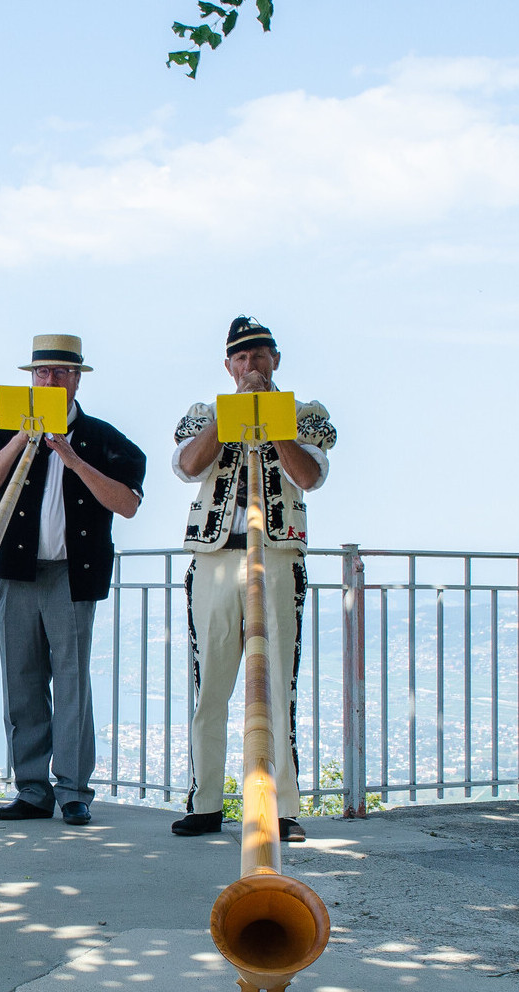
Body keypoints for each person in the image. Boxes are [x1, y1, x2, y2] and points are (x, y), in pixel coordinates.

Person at [0, 333, 145, 826]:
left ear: (76, 380)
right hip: (16, 575)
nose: (50, 380)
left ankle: (72, 790)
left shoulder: (106, 438)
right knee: (20, 682)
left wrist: (71, 458)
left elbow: (127, 504)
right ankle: (31, 789)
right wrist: (21, 440)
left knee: (71, 684)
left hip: (71, 575)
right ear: (31, 378)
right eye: (42, 373)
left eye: (61, 373)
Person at [171, 316, 336, 841]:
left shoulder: (305, 415)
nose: (251, 366)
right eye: (241, 358)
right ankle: (206, 802)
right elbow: (187, 467)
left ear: (276, 361)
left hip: (279, 555)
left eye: (260, 356)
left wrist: (273, 420)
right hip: (217, 557)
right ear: (228, 366)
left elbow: (308, 476)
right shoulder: (204, 414)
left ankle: (280, 808)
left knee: (276, 685)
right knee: (210, 687)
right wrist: (231, 416)